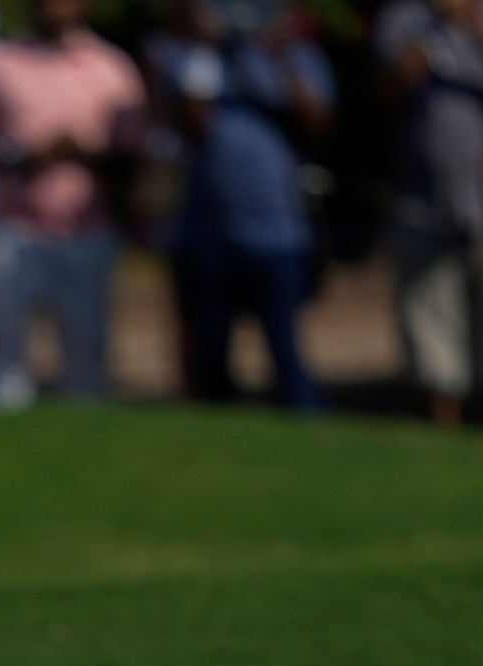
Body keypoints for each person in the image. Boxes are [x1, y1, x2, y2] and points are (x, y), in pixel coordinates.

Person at [0, 0, 147, 408]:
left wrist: (84, 153)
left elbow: (133, 157)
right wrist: (26, 157)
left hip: (85, 230)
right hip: (13, 227)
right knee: (3, 354)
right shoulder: (0, 63)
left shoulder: (110, 67)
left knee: (86, 351)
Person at [374, 0, 483, 426]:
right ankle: (441, 452)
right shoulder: (404, 19)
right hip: (424, 213)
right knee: (435, 361)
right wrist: (433, 36)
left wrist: (482, 33)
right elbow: (388, 93)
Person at [163, 0, 336, 412]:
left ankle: (305, 432)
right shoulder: (192, 56)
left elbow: (318, 122)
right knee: (211, 354)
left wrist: (280, 57)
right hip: (208, 233)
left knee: (284, 347)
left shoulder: (297, 54)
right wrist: (207, 50)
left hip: (278, 230)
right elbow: (191, 123)